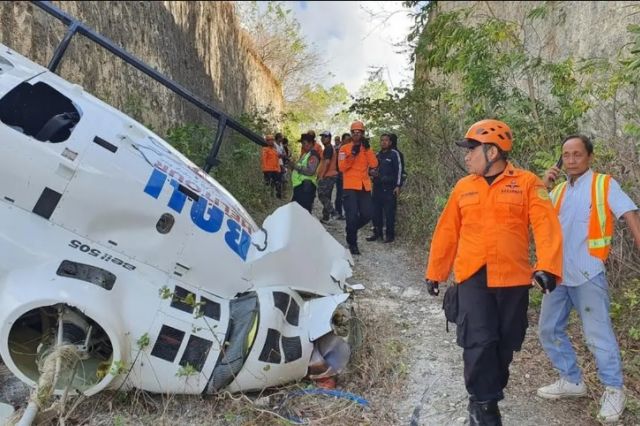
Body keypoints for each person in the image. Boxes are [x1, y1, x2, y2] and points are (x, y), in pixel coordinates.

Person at [424, 119, 563, 426]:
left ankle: (490, 390)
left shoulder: (527, 183)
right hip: (473, 275)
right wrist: (435, 272)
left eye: (471, 150)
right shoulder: (463, 187)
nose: (466, 156)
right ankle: (482, 405)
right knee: (479, 340)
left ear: (492, 152)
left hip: (513, 277)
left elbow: (545, 225)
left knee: (506, 340)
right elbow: (447, 231)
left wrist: (547, 266)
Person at [537, 134, 640, 423]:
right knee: (548, 329)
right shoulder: (556, 192)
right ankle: (571, 380)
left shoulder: (604, 184)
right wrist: (543, 187)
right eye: (566, 155)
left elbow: (630, 214)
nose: (570, 160)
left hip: (588, 273)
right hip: (558, 276)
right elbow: (533, 216)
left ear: (589, 157)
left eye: (577, 154)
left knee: (598, 336)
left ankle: (614, 390)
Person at [338, 121, 378, 255]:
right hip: (350, 186)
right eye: (354, 132)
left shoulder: (366, 148)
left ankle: (351, 229)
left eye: (359, 132)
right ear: (351, 134)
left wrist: (367, 150)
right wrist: (352, 155)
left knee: (368, 214)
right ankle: (352, 243)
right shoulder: (344, 149)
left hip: (364, 186)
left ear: (362, 134)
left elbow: (374, 163)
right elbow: (342, 167)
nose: (356, 135)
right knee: (352, 216)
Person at [367, 133, 402, 243]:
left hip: (389, 188)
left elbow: (399, 171)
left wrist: (398, 185)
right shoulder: (377, 155)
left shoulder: (395, 154)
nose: (383, 142)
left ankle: (389, 235)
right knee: (375, 212)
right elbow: (371, 168)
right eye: (382, 140)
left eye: (386, 140)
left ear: (390, 142)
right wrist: (371, 172)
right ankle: (377, 233)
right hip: (377, 188)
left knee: (389, 213)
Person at [290, 133, 320, 213]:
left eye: (304, 143)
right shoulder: (306, 154)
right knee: (296, 211)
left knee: (303, 212)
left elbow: (310, 171)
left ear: (310, 143)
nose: (302, 146)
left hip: (306, 187)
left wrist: (295, 166)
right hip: (301, 186)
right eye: (302, 144)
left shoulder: (313, 155)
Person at [317, 130, 339, 223]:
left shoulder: (329, 148)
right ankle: (326, 217)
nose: (323, 138)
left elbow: (327, 162)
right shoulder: (328, 148)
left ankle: (333, 212)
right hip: (330, 175)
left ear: (329, 138)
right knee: (327, 196)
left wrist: (321, 175)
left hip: (328, 175)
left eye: (325, 137)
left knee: (321, 195)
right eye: (322, 137)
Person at [332, 133, 350, 221]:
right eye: (346, 140)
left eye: (349, 140)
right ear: (342, 140)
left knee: (347, 195)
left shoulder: (351, 149)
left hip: (349, 176)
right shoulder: (339, 150)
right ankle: (338, 212)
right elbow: (337, 163)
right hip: (340, 175)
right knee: (340, 195)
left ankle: (347, 213)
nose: (348, 141)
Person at [261, 134, 282, 198]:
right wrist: (265, 170)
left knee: (278, 184)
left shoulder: (275, 150)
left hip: (276, 170)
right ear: (267, 141)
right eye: (269, 140)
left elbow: (277, 160)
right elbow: (263, 160)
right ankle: (267, 198)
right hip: (268, 170)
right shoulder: (265, 149)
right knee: (268, 184)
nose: (270, 141)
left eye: (272, 140)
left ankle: (277, 197)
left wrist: (279, 169)